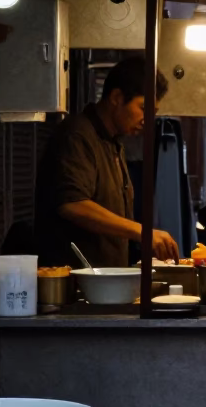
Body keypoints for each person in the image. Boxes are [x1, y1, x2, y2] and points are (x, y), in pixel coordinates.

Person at [35, 58, 179, 268]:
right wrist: (142, 232)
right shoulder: (77, 135)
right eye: (143, 108)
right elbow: (71, 204)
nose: (147, 120)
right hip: (75, 285)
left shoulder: (113, 143)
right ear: (117, 97)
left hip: (106, 284)